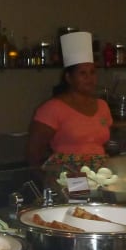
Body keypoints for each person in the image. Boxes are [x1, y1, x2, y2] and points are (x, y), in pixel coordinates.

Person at [26, 31, 113, 178]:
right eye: (83, 73)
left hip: (100, 176)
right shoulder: (52, 108)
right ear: (69, 77)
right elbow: (33, 152)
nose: (89, 78)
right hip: (69, 177)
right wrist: (47, 180)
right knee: (79, 194)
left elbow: (102, 144)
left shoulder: (103, 106)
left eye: (92, 72)